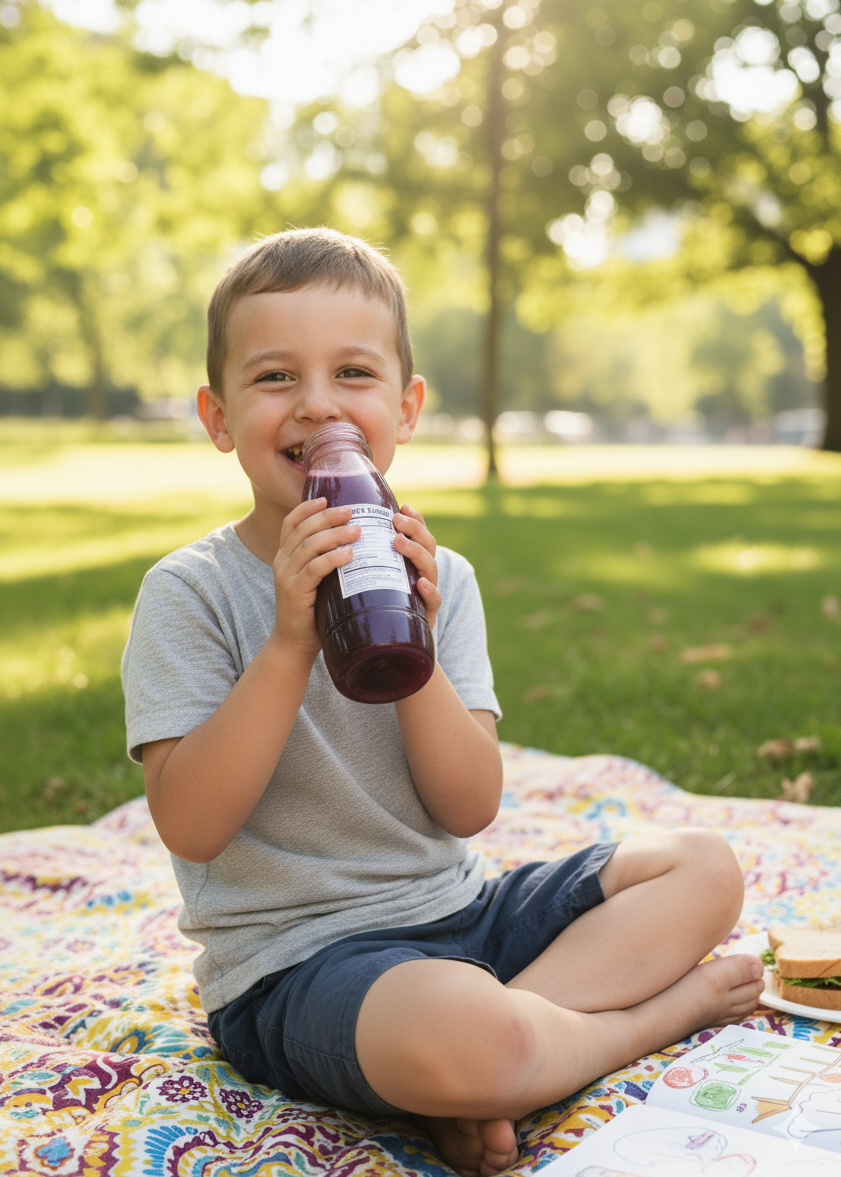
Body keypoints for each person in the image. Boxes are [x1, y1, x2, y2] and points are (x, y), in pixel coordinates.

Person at [122, 227, 764, 1177]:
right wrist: (292, 638)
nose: (317, 405)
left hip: (461, 913)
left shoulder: (440, 577)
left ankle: (506, 1059)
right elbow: (192, 823)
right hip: (305, 963)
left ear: (404, 408)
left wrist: (413, 642)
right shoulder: (189, 592)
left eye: (352, 372)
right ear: (218, 418)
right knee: (465, 1029)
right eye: (274, 379)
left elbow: (468, 806)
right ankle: (625, 1025)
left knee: (702, 865)